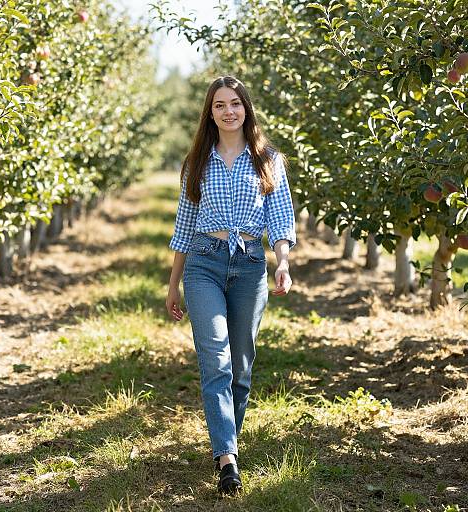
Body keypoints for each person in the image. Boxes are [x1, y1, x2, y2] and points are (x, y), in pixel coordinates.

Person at [165, 75, 296, 496]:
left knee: (241, 365)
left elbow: (280, 217)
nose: (228, 111)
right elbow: (184, 226)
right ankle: (227, 459)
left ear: (246, 108)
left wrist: (283, 263)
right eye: (219, 105)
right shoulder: (196, 163)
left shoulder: (267, 160)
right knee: (216, 357)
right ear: (210, 113)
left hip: (250, 266)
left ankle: (227, 441)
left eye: (235, 103)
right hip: (203, 263)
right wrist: (173, 285)